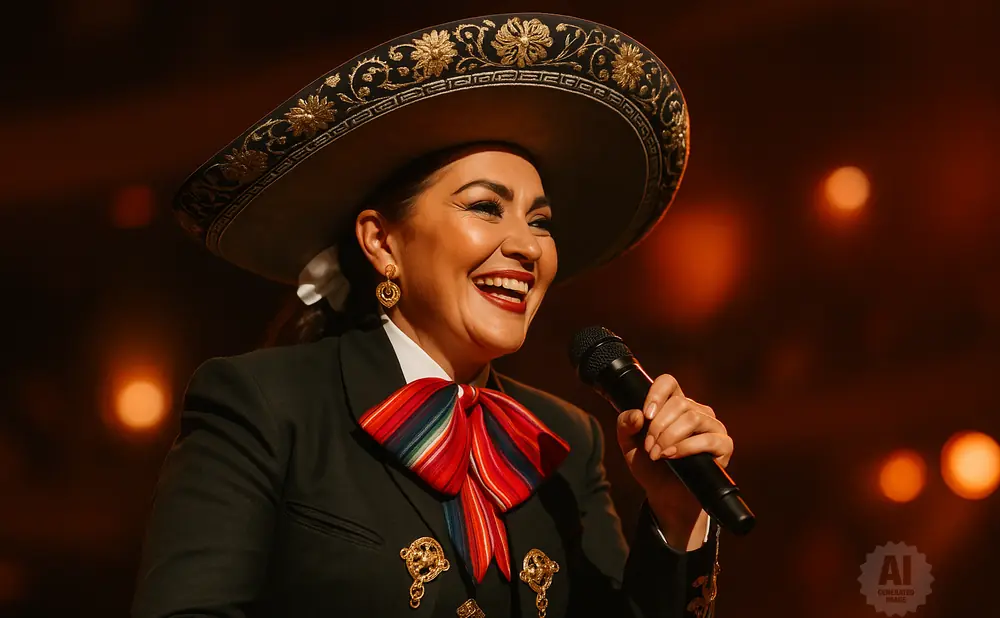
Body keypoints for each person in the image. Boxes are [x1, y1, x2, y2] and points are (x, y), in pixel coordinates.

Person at [133, 13, 733, 618]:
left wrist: (678, 518)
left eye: (540, 220)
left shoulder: (564, 442)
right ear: (382, 243)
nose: (527, 245)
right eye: (485, 207)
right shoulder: (266, 405)